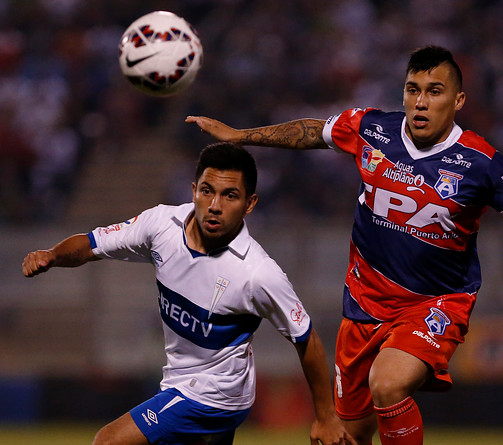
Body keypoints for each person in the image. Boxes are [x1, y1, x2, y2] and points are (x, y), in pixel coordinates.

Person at [185, 45, 503, 445]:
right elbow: (310, 132)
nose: (421, 102)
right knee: (348, 436)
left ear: (458, 99)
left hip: (434, 304)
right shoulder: (372, 129)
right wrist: (240, 136)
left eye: (434, 91)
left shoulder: (483, 163)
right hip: (363, 304)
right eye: (413, 89)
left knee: (388, 383)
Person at [22, 143, 354, 445]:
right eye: (207, 191)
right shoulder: (160, 224)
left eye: (230, 195)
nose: (214, 206)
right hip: (184, 381)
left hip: (215, 396)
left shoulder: (258, 272)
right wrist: (52, 256)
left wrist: (325, 416)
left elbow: (306, 338)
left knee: (108, 442)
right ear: (193, 190)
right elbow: (91, 245)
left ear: (250, 204)